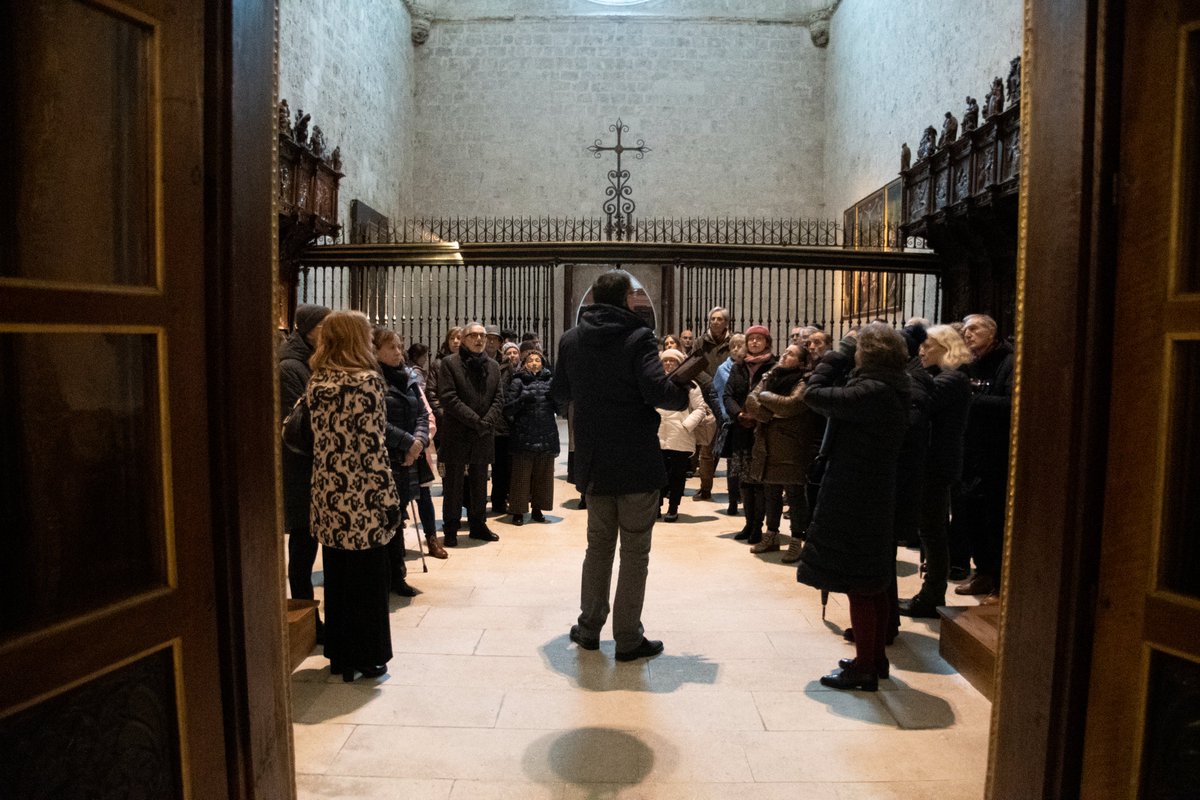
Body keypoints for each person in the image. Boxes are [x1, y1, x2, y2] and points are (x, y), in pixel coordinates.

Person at [552, 269, 688, 662]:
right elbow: (656, 390)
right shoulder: (638, 337)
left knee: (598, 547)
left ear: (594, 298)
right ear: (627, 298)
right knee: (634, 551)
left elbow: (559, 393)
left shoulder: (571, 339)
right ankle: (627, 638)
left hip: (594, 461)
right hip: (635, 460)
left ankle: (589, 628)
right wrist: (682, 390)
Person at [797, 322, 911, 691]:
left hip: (856, 494)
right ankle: (874, 659)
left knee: (859, 583)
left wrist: (837, 355)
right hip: (871, 490)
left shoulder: (873, 391)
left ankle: (864, 669)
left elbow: (814, 393)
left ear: (868, 354)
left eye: (858, 348)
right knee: (872, 582)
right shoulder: (891, 385)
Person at [305, 310, 401, 683]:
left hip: (328, 495)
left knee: (338, 578)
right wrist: (389, 499)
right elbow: (373, 449)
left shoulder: (318, 381)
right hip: (362, 499)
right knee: (370, 581)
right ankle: (369, 657)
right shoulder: (366, 382)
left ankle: (341, 656)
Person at [900, 324, 972, 617]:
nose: (921, 351)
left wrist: (912, 374)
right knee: (930, 529)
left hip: (937, 463)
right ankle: (931, 592)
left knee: (932, 530)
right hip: (935, 461)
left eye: (927, 345)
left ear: (945, 347)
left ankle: (932, 596)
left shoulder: (952, 379)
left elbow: (921, 404)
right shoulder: (943, 377)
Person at [952, 314, 1014, 597]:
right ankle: (983, 572)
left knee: (993, 518)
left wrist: (972, 399)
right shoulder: (969, 363)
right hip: (971, 451)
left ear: (992, 332)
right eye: (964, 330)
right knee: (972, 515)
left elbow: (1012, 404)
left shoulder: (1008, 361)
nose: (967, 334)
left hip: (996, 453)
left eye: (974, 329)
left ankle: (1000, 579)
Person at [278, 303, 330, 641]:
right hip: (299, 466)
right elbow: (297, 422)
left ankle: (310, 615)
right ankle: (306, 617)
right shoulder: (290, 366)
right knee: (302, 545)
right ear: (309, 328)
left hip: (312, 464)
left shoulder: (311, 359)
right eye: (324, 326)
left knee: (308, 542)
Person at [744, 344, 824, 555]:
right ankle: (771, 535)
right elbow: (750, 401)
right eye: (785, 352)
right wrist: (770, 414)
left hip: (792, 446)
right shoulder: (771, 375)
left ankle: (797, 538)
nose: (785, 355)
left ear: (801, 362)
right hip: (767, 443)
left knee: (795, 494)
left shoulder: (804, 381)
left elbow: (791, 405)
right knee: (771, 493)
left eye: (791, 354)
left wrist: (765, 398)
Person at [437, 322, 504, 546]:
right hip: (457, 432)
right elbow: (448, 397)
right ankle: (451, 528)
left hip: (483, 433)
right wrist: (476, 421)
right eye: (473, 335)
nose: (479, 339)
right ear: (464, 339)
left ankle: (478, 525)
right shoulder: (450, 363)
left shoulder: (493, 366)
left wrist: (487, 422)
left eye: (482, 335)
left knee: (480, 482)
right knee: (454, 485)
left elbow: (499, 398)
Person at [373, 327, 428, 597]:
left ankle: (398, 575)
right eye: (391, 347)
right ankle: (384, 576)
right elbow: (375, 422)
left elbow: (422, 413)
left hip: (407, 459)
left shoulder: (408, 377)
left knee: (399, 517)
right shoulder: (373, 379)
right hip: (385, 460)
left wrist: (417, 442)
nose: (398, 352)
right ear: (375, 351)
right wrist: (408, 442)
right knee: (385, 519)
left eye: (399, 346)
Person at [724, 325, 778, 544]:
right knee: (745, 481)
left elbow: (774, 396)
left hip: (762, 430)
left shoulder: (774, 366)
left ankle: (758, 526)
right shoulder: (738, 366)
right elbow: (727, 395)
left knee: (759, 482)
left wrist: (757, 417)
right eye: (751, 339)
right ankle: (748, 524)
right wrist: (738, 414)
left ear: (767, 342)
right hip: (741, 429)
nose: (754, 342)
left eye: (759, 339)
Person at [505, 348, 559, 525]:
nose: (534, 363)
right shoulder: (518, 381)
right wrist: (521, 401)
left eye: (537, 360)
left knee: (543, 476)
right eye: (530, 360)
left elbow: (560, 409)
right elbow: (507, 408)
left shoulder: (551, 381)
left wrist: (556, 399)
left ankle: (538, 509)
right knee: (521, 476)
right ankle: (518, 511)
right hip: (523, 435)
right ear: (524, 364)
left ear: (542, 363)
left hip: (546, 434)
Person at [656, 348, 709, 521]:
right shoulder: (656, 382)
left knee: (677, 475)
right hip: (658, 434)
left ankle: (673, 507)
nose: (668, 363)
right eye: (665, 360)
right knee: (657, 474)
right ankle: (656, 506)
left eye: (673, 361)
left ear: (680, 364)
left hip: (680, 434)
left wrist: (686, 425)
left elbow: (701, 408)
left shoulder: (690, 385)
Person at [710, 332, 746, 514]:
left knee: (747, 462)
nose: (736, 349)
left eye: (740, 345)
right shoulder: (722, 369)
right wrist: (722, 414)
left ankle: (746, 498)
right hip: (729, 419)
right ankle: (733, 500)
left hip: (748, 419)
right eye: (733, 346)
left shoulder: (749, 368)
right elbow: (714, 393)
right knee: (732, 464)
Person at [696, 306, 732, 376]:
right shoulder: (699, 342)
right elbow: (695, 367)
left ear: (726, 323)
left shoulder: (732, 341)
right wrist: (708, 381)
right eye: (713, 319)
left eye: (719, 319)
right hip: (706, 382)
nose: (715, 322)